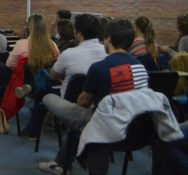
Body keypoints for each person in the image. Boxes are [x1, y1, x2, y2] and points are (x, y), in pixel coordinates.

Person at [38, 18, 148, 175]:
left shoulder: (100, 67)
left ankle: (62, 163)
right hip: (136, 129)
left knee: (49, 99)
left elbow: (83, 102)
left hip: (106, 125)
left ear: (108, 39)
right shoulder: (140, 66)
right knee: (86, 122)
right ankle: (62, 162)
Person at [20, 14, 108, 141]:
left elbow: (52, 75)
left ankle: (32, 132)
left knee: (42, 94)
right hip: (98, 103)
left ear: (79, 33)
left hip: (70, 101)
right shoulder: (107, 52)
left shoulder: (69, 54)